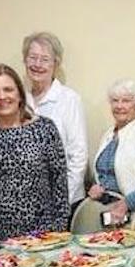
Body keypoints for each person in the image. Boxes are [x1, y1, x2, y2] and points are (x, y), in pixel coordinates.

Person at [0, 63, 71, 255]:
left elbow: (59, 182)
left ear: (20, 94)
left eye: (8, 89)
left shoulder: (45, 129)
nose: (2, 96)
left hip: (41, 236)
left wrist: (59, 229)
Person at [22, 31, 87, 208]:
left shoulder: (69, 99)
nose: (37, 64)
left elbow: (78, 155)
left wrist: (62, 198)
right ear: (25, 60)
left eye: (44, 59)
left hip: (63, 199)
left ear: (55, 64)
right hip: (27, 200)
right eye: (32, 57)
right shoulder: (18, 99)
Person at [88, 79, 135, 222]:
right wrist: (97, 189)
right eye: (115, 101)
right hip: (110, 212)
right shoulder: (108, 134)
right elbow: (106, 174)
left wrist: (126, 204)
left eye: (126, 101)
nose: (119, 106)